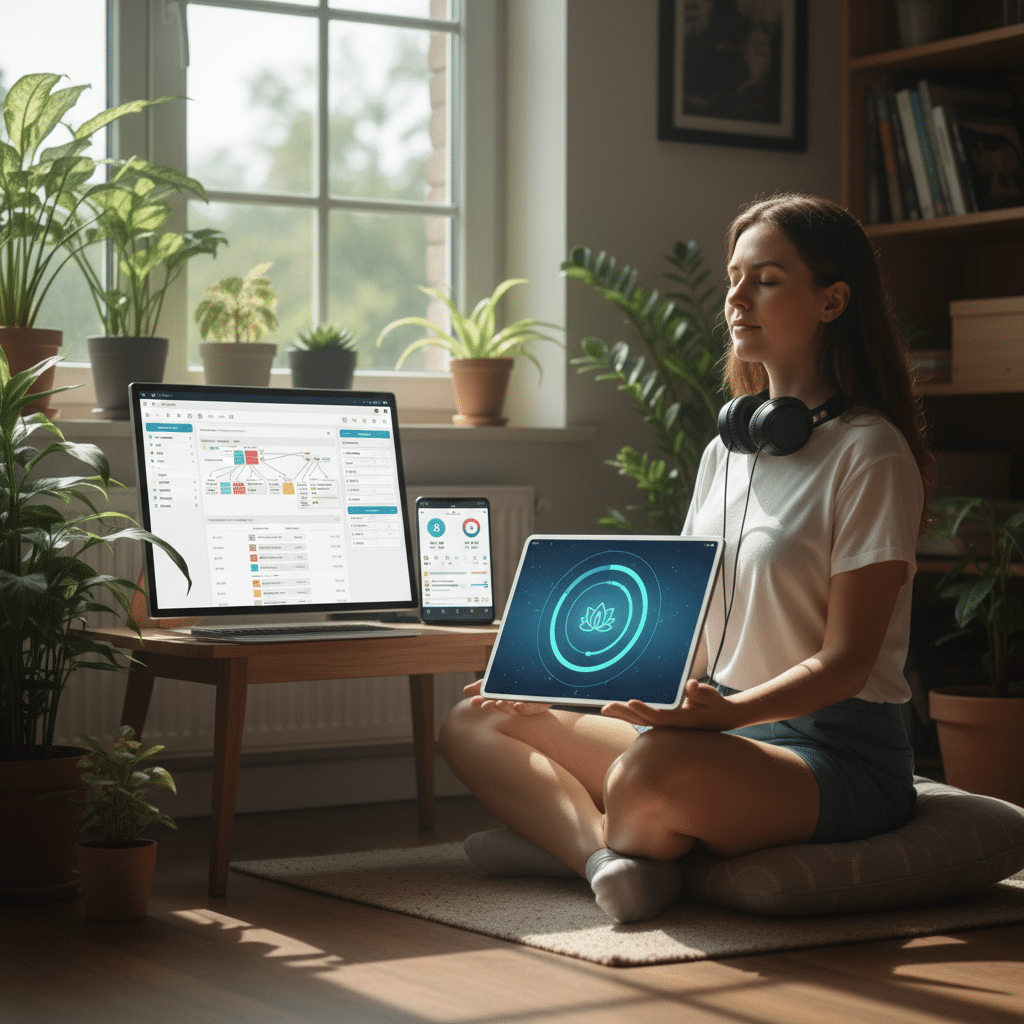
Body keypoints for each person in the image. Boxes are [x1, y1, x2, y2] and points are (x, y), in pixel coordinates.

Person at [439, 193, 934, 924]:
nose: (735, 298)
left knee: (651, 768)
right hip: (711, 727)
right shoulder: (724, 454)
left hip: (830, 752)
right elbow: (691, 620)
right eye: (733, 278)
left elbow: (849, 663)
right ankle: (606, 860)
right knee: (477, 719)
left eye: (765, 279)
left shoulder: (872, 453)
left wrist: (724, 718)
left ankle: (564, 841)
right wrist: (551, 673)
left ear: (832, 300)